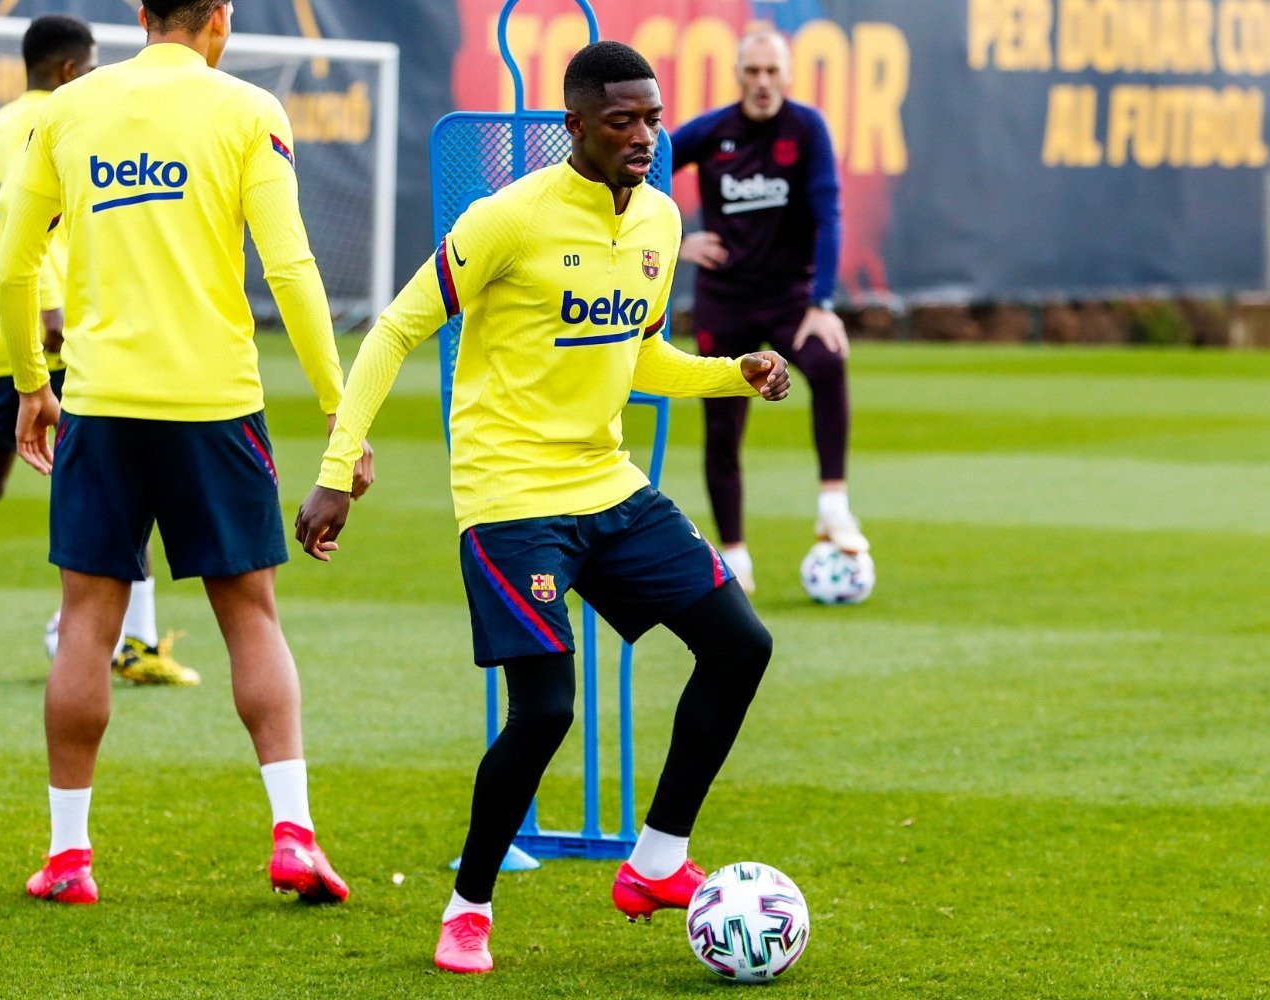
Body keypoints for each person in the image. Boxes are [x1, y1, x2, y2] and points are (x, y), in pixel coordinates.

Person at [295, 41, 791, 974]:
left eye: (652, 118)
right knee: (547, 709)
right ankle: (467, 909)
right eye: (622, 122)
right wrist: (335, 464)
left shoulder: (659, 218)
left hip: (608, 485)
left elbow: (634, 354)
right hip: (510, 496)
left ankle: (657, 860)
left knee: (742, 646)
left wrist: (734, 371)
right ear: (574, 126)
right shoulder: (509, 219)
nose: (645, 137)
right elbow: (398, 327)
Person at [0, 0, 371, 905]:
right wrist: (338, 410)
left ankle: (69, 858)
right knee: (252, 619)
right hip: (216, 407)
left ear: (139, 13)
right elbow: (292, 270)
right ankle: (293, 835)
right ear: (221, 18)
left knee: (87, 622)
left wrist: (29, 385)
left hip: (101, 405)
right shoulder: (247, 110)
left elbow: (13, 267)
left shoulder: (65, 109)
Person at [0, 15, 195, 686]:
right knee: (118, 477)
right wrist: (53, 318)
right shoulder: (64, 124)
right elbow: (41, 243)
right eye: (88, 66)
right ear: (67, 72)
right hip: (52, 330)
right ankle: (123, 639)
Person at [670, 28, 865, 594]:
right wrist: (681, 237)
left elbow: (830, 213)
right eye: (751, 71)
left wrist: (822, 302)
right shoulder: (712, 131)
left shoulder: (807, 128)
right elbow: (644, 170)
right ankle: (735, 558)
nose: (761, 82)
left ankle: (833, 505)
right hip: (725, 299)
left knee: (828, 360)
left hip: (787, 297)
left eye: (771, 71)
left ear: (788, 75)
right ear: (738, 75)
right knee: (723, 423)